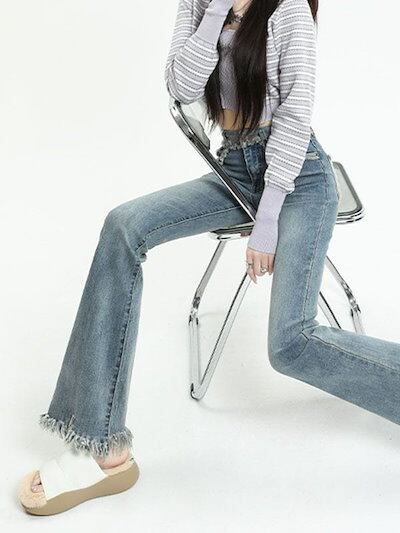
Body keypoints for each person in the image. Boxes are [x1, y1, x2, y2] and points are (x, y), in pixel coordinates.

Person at [18, 0, 400, 516]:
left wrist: (267, 220)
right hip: (235, 170)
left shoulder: (288, 10)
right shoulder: (199, 4)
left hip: (299, 180)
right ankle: (101, 446)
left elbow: (294, 119)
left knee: (289, 344)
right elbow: (181, 86)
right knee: (123, 226)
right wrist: (216, 9)